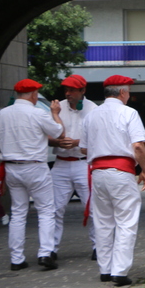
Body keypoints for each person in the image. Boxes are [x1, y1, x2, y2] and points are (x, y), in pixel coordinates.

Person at [81, 75, 145, 286]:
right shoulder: (128, 113)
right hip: (121, 171)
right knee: (126, 221)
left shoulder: (91, 115)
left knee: (102, 222)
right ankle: (119, 270)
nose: (129, 96)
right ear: (121, 92)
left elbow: (83, 148)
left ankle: (105, 268)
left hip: (98, 172)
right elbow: (138, 146)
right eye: (128, 91)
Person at [0, 78, 64, 271]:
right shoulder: (37, 113)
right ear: (34, 94)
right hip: (34, 166)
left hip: (11, 167)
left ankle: (16, 258)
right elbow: (58, 132)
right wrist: (55, 114)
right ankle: (45, 253)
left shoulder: (2, 114)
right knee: (46, 210)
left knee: (18, 213)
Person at [50, 74, 97, 260]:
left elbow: (98, 138)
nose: (67, 93)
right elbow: (46, 134)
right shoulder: (58, 108)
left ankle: (98, 245)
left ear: (82, 91)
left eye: (71, 90)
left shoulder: (93, 109)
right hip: (61, 162)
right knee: (54, 208)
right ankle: (50, 249)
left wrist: (77, 142)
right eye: (66, 90)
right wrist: (57, 142)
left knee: (92, 207)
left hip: (83, 162)